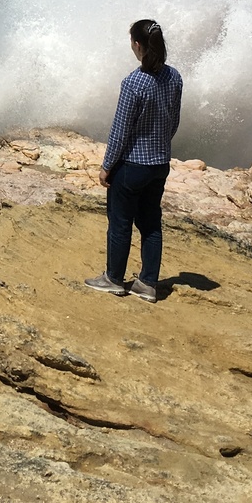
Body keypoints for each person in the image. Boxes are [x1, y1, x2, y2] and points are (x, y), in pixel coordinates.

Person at [86, 19, 182, 303]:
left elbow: (120, 130)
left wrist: (106, 167)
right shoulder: (174, 77)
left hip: (132, 166)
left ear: (137, 45)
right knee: (151, 224)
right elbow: (173, 121)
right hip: (159, 165)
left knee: (120, 222)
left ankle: (114, 279)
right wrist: (159, 147)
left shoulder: (133, 83)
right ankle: (148, 284)